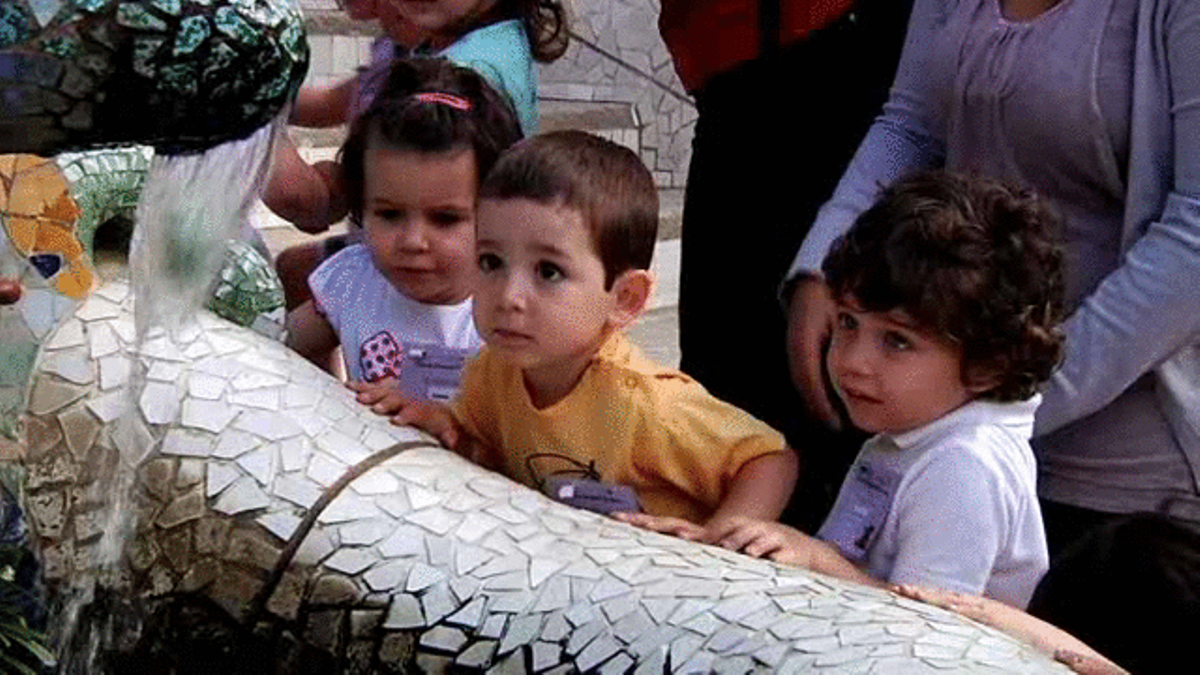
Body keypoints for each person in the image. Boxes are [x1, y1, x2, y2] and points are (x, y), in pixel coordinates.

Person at [785, 0, 1200, 558]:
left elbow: (1194, 233)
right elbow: (911, 125)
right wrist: (823, 270)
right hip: (946, 408)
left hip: (1123, 474)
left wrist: (1013, 390)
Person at [371, 130, 799, 531]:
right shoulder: (492, 371)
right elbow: (488, 454)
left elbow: (771, 460)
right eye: (491, 262)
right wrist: (441, 424)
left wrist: (715, 545)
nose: (509, 297)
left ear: (625, 298)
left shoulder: (645, 405)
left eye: (548, 271)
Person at [684, 171, 1064, 608]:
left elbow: (926, 622)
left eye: (897, 341)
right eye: (848, 322)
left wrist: (816, 560)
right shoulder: (913, 432)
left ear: (987, 365)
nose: (851, 361)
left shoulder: (964, 467)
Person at [660, 0, 915, 534]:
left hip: (843, 68)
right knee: (721, 402)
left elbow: (911, 124)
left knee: (836, 395)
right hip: (733, 87)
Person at [270, 0, 567, 309]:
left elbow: (306, 200)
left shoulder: (462, 76)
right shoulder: (462, 39)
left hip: (441, 275)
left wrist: (251, 116)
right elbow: (332, 103)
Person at [284, 58, 523, 404]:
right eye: (389, 214)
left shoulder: (512, 312)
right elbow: (280, 347)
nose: (412, 241)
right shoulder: (354, 281)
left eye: (445, 219)